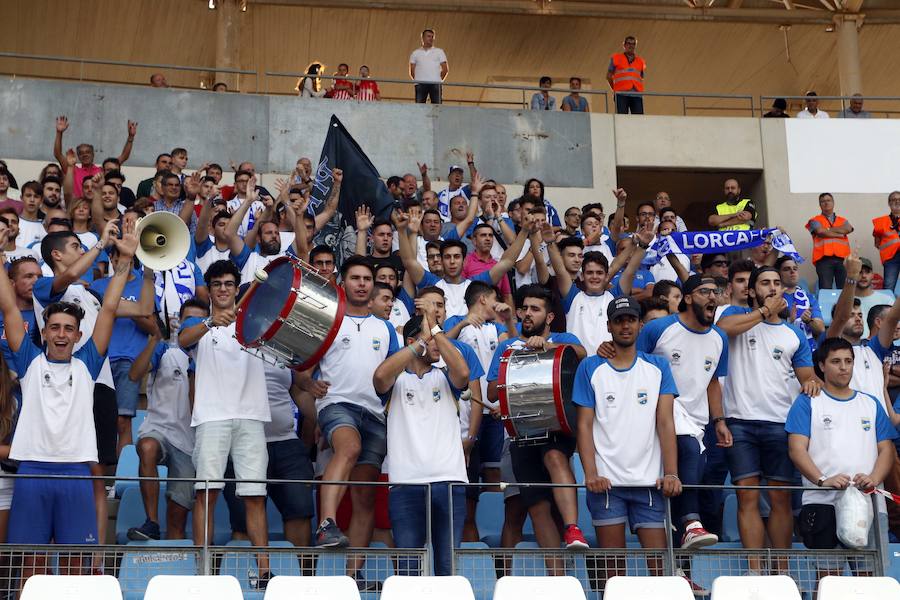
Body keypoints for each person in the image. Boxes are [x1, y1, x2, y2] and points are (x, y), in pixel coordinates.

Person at [1, 219, 138, 586]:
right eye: (55, 328)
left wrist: (123, 262)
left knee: (78, 571)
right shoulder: (29, 362)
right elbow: (10, 311)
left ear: (79, 335)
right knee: (29, 571)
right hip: (32, 473)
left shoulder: (88, 364)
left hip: (76, 473)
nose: (62, 334)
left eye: (69, 329)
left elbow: (108, 309)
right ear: (44, 332)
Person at [716, 267, 822, 575]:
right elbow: (723, 330)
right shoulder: (737, 317)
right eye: (765, 283)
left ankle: (781, 572)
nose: (773, 287)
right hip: (740, 421)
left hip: (780, 423)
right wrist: (763, 312)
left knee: (780, 500)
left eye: (777, 283)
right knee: (746, 497)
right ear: (751, 291)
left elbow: (807, 375)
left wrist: (812, 382)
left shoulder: (792, 333)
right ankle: (755, 571)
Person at [177, 260, 273, 589]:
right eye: (216, 284)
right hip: (211, 416)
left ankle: (264, 572)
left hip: (251, 415)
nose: (222, 289)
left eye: (228, 284)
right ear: (209, 289)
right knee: (206, 492)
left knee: (255, 495)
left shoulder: (254, 320)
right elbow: (182, 341)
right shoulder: (195, 323)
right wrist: (209, 321)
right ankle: (203, 569)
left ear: (236, 287)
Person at [574, 296, 681, 584]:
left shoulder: (658, 366)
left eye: (630, 320)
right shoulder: (590, 367)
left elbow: (666, 422)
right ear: (608, 326)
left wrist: (671, 472)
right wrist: (591, 473)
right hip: (607, 484)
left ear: (640, 324)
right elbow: (583, 425)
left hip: (650, 483)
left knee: (661, 575)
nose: (625, 326)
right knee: (614, 577)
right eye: (619, 320)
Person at [300, 256, 399, 548]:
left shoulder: (386, 328)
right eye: (355, 278)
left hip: (374, 413)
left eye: (367, 279)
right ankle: (326, 524)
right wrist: (309, 383)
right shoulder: (327, 322)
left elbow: (393, 377)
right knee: (349, 447)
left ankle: (354, 574)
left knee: (365, 498)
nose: (362, 284)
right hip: (336, 404)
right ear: (343, 284)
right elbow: (301, 374)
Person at [487, 285, 590, 556]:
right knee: (536, 508)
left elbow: (582, 354)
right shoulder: (507, 346)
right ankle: (556, 579)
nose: (528, 314)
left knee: (555, 459)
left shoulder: (564, 338)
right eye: (525, 309)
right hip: (520, 434)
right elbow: (491, 392)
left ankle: (573, 528)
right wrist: (516, 359)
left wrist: (549, 346)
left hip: (558, 428)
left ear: (550, 316)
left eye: (536, 309)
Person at [634, 275, 731, 549]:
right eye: (704, 292)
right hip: (659, 411)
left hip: (697, 421)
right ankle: (692, 522)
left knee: (684, 489)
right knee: (687, 449)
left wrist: (719, 420)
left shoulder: (720, 338)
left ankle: (681, 572)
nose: (712, 297)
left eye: (715, 292)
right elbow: (634, 361)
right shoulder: (660, 329)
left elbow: (713, 381)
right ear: (687, 299)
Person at [373, 304, 469, 576]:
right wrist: (421, 342)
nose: (438, 344)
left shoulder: (445, 376)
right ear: (413, 342)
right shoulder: (396, 380)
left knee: (447, 567)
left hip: (450, 480)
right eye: (431, 338)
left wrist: (435, 329)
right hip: (405, 483)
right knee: (408, 569)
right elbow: (379, 377)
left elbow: (462, 373)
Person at [786, 337, 896, 564]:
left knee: (870, 580)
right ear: (822, 366)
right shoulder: (807, 402)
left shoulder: (871, 403)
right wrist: (822, 479)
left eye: (848, 361)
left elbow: (886, 450)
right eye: (836, 361)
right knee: (828, 579)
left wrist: (874, 479)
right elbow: (796, 449)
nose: (844, 367)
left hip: (870, 503)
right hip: (822, 501)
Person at [126, 301, 207, 541]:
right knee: (147, 447)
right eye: (188, 320)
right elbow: (133, 374)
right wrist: (154, 339)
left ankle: (173, 572)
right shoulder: (165, 351)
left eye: (199, 321)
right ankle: (151, 522)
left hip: (189, 443)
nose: (193, 325)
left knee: (177, 521)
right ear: (179, 323)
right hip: (158, 430)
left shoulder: (212, 356)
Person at [400, 204, 530, 320]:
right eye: (447, 257)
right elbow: (409, 261)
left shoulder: (474, 285)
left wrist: (524, 231)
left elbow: (507, 262)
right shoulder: (431, 282)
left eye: (456, 257)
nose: (452, 261)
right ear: (441, 260)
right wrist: (403, 231)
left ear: (464, 261)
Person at [53, 115, 137, 198]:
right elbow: (58, 154)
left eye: (88, 152)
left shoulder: (102, 171)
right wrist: (59, 133)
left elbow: (124, 156)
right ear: (78, 156)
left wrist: (131, 137)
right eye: (81, 153)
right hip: (79, 208)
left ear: (93, 154)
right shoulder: (73, 171)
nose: (85, 154)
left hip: (98, 207)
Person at [806, 192, 852, 289]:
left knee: (844, 289)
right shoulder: (814, 220)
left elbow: (849, 229)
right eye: (823, 201)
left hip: (843, 259)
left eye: (828, 200)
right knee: (825, 289)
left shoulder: (843, 220)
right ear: (820, 205)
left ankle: (843, 305)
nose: (826, 203)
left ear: (833, 203)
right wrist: (840, 233)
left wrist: (826, 229)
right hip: (823, 259)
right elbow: (820, 232)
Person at [608, 35, 646, 115]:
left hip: (636, 94)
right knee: (622, 118)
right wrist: (615, 89)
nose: (631, 46)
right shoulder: (616, 58)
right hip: (621, 94)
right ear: (624, 45)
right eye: (629, 43)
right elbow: (609, 76)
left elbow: (640, 78)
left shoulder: (640, 61)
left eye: (633, 44)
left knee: (638, 120)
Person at [409, 28, 448, 104]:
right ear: (423, 38)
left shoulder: (439, 52)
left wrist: (438, 80)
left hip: (435, 84)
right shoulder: (415, 53)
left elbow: (445, 69)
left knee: (437, 107)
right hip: (420, 84)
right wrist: (418, 80)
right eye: (428, 36)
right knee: (419, 107)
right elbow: (412, 71)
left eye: (432, 37)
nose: (431, 38)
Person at [872, 191, 900, 294]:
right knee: (888, 287)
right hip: (891, 258)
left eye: (899, 199)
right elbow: (877, 242)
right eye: (894, 199)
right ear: (889, 203)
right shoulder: (881, 222)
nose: (897, 201)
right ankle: (887, 309)